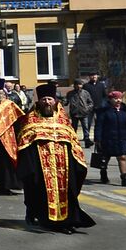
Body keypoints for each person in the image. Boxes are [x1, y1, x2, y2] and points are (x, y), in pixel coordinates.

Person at [17, 83, 95, 233]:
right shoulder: (30, 120)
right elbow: (24, 143)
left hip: (64, 167)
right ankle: (50, 221)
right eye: (44, 99)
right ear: (39, 101)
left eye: (50, 99)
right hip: (41, 167)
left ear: (55, 101)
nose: (47, 102)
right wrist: (29, 166)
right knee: (39, 193)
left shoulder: (63, 120)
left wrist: (77, 164)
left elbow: (73, 142)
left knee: (68, 192)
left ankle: (67, 221)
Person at [93, 90, 126, 186]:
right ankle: (103, 174)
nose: (118, 100)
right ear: (110, 99)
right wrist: (97, 139)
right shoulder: (104, 111)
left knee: (122, 157)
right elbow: (99, 126)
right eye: (115, 98)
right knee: (105, 158)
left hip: (121, 138)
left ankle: (124, 178)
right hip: (108, 139)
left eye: (120, 98)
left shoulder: (124, 110)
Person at [66, 79, 95, 146]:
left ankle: (87, 141)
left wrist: (87, 109)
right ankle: (73, 142)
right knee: (74, 128)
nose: (79, 86)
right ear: (74, 85)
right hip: (74, 114)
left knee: (86, 128)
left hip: (84, 113)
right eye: (77, 85)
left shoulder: (85, 93)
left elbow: (90, 102)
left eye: (80, 84)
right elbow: (66, 102)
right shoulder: (70, 93)